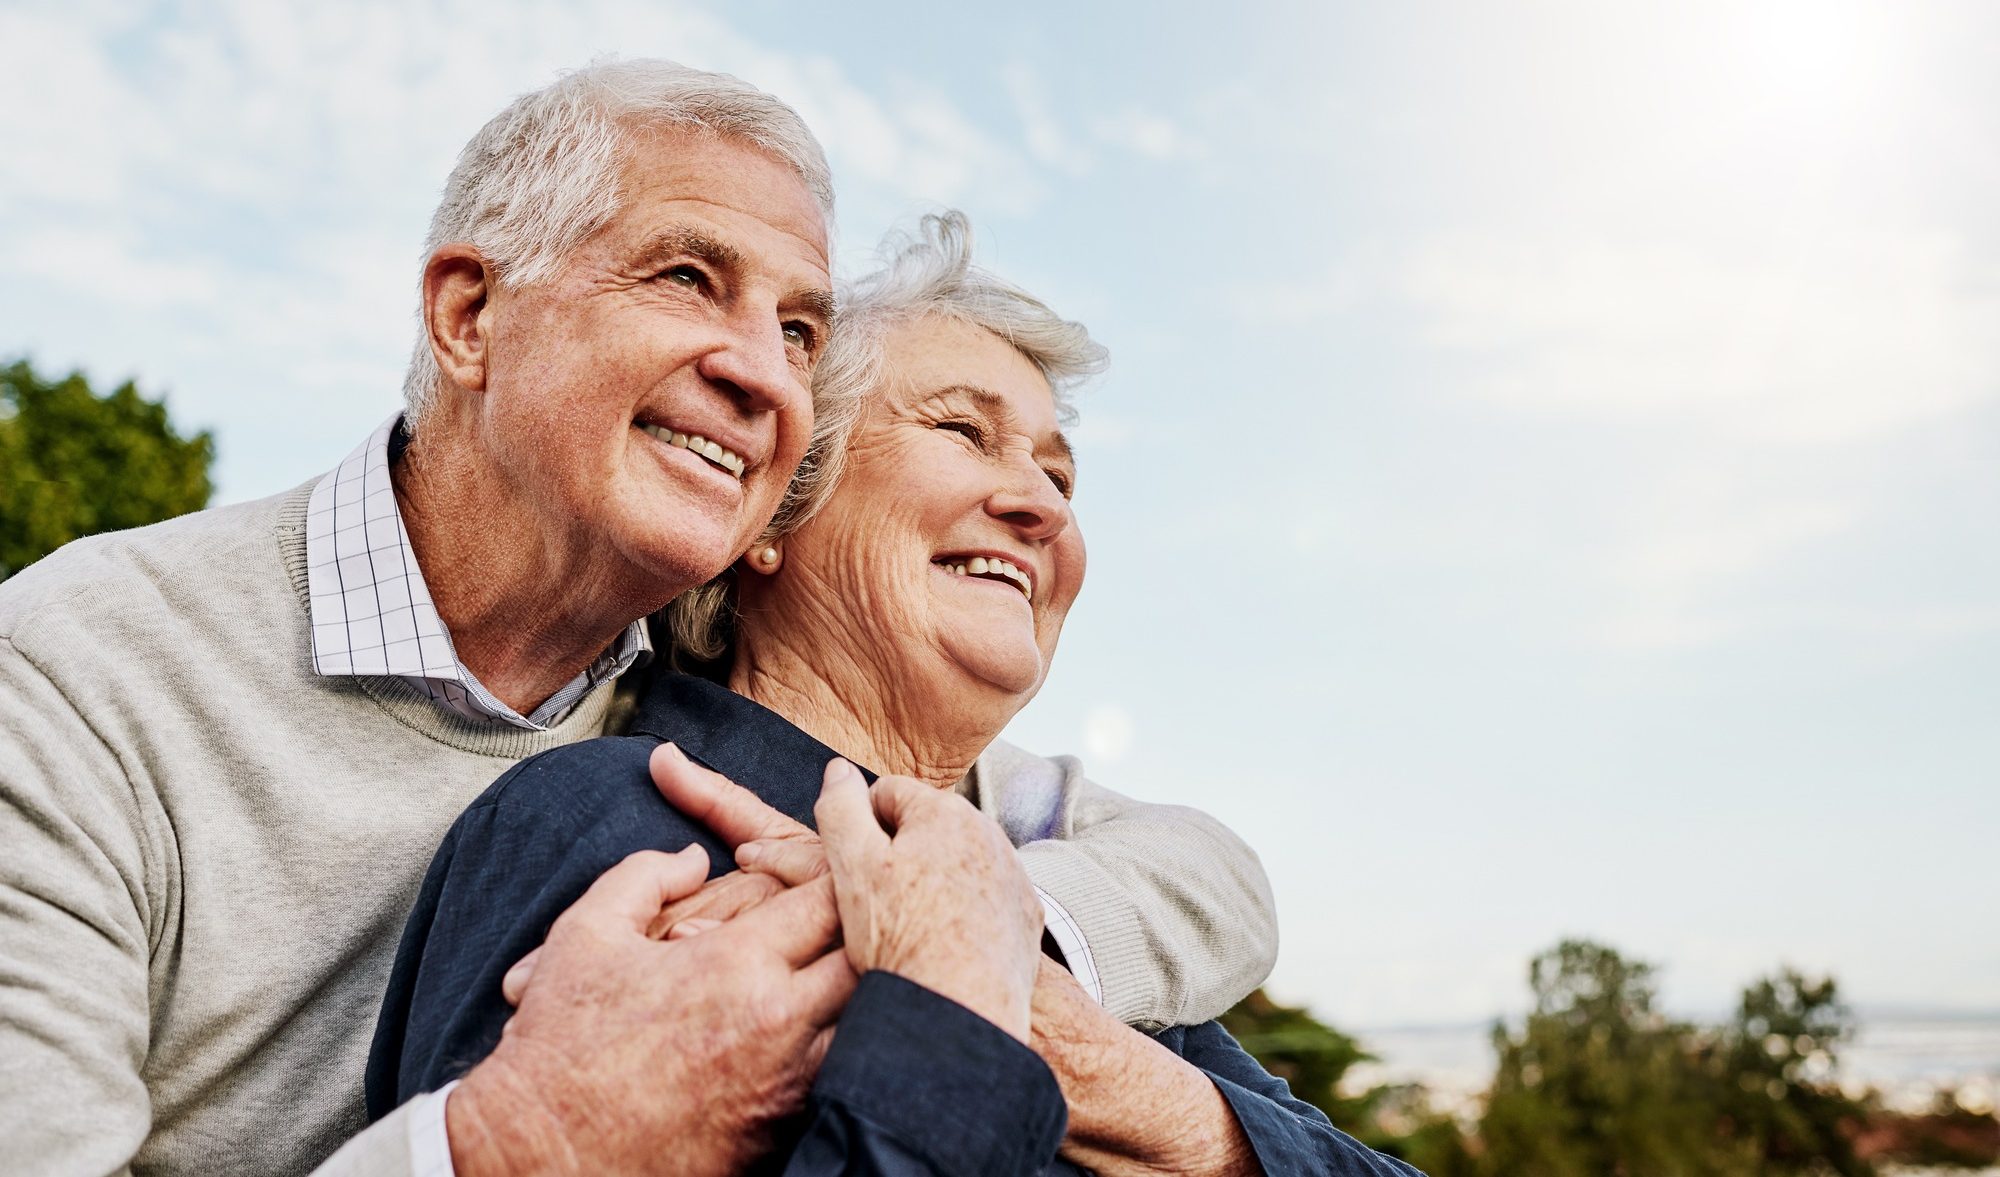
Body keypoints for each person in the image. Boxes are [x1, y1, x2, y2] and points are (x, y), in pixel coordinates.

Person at [0, 62, 1273, 1177]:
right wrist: (512, 1144)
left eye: (796, 328)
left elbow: (1191, 868)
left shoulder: (706, 697)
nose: (761, 372)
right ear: (468, 315)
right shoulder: (73, 677)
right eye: (685, 276)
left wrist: (985, 933)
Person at [369, 214, 1424, 1175]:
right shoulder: (607, 830)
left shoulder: (1048, 919)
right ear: (772, 515)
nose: (1039, 508)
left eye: (1060, 478)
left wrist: (1142, 1097)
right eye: (962, 432)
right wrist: (949, 1015)